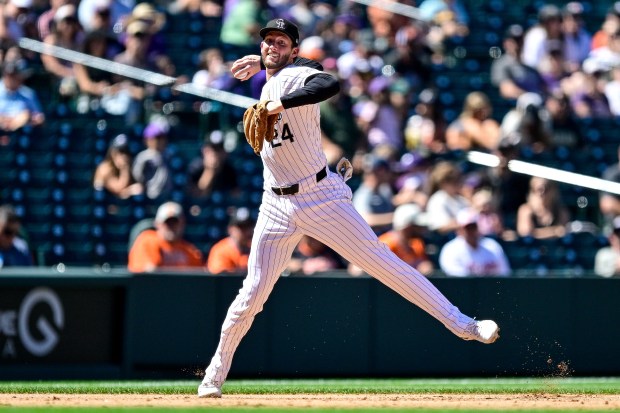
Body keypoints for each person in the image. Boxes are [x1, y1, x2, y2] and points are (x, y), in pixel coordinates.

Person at [198, 18, 500, 399]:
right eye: (267, 41)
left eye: (280, 41)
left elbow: (328, 83)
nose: (271, 46)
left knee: (385, 265)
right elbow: (276, 69)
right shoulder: (271, 75)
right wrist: (262, 66)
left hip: (320, 197)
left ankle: (465, 325)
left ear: (294, 49)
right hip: (274, 202)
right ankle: (213, 376)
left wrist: (279, 100)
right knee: (252, 295)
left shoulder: (298, 75)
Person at [128, 201, 204, 273]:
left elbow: (199, 278)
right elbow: (150, 274)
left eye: (175, 223)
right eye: (167, 223)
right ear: (157, 224)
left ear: (182, 224)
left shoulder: (190, 251)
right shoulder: (147, 240)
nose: (171, 227)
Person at [438, 208, 511, 277]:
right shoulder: (450, 250)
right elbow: (459, 281)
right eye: (467, 228)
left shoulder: (492, 246)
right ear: (460, 229)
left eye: (473, 227)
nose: (471, 231)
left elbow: (504, 274)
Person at [377, 203, 433, 276]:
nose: (421, 229)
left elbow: (424, 265)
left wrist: (425, 267)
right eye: (417, 226)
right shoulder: (385, 244)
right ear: (407, 227)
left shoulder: (417, 244)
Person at [186, 130, 239, 199]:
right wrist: (210, 171)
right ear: (204, 151)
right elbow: (197, 197)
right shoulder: (195, 167)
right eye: (212, 149)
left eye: (218, 150)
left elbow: (235, 195)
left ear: (224, 152)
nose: (215, 154)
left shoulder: (229, 169)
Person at [132, 119, 173, 200]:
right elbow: (137, 176)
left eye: (162, 137)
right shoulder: (143, 157)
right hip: (148, 196)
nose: (160, 141)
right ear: (147, 140)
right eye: (156, 137)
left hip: (167, 196)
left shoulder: (170, 154)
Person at [0, 59, 45, 131]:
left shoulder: (28, 93)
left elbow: (40, 118)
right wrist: (6, 119)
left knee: (24, 115)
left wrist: (28, 118)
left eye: (14, 76)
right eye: (9, 76)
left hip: (20, 133)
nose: (11, 79)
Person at [206, 207, 254, 274]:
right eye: (241, 227)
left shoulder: (257, 249)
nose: (246, 231)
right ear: (230, 229)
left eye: (248, 227)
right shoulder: (220, 250)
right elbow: (222, 280)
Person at [93, 134, 142, 198]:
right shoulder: (104, 169)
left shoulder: (132, 166)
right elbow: (119, 189)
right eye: (120, 152)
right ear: (112, 153)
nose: (124, 156)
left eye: (126, 152)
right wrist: (124, 168)